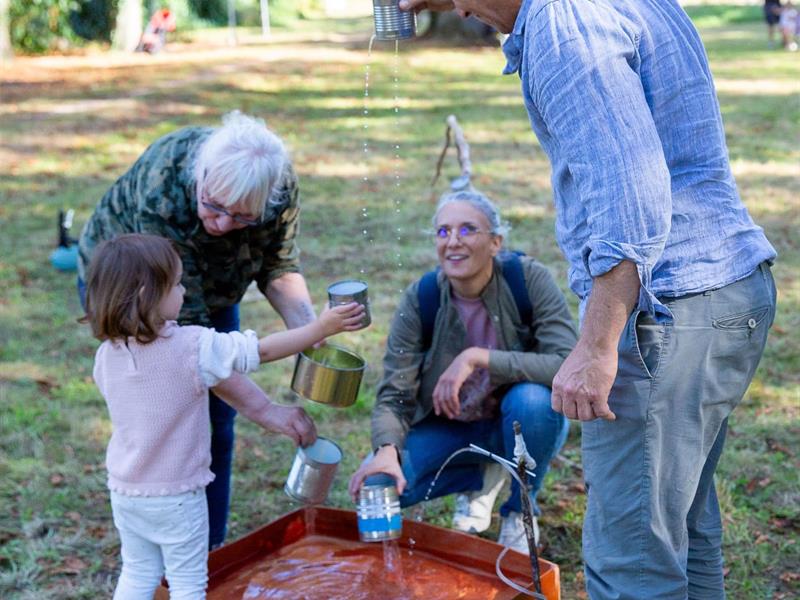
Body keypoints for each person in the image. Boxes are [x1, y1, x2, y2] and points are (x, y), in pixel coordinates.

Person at [398, 1, 777, 598]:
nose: (463, 11)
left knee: (632, 564)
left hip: (664, 312)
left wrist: (598, 344)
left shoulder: (561, 25)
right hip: (727, 289)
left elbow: (632, 196)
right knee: (682, 531)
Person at [78, 111, 319, 549]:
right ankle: (155, 539)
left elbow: (278, 264)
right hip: (136, 294)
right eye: (213, 206)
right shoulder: (165, 185)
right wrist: (267, 411)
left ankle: (205, 553)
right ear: (200, 176)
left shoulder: (276, 188)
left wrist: (311, 334)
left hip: (214, 290)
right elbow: (188, 346)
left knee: (216, 426)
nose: (224, 224)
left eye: (242, 218)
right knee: (161, 422)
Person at [83, 233, 365, 599]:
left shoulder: (106, 354)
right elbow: (259, 351)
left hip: (127, 491)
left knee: (138, 572)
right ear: (146, 295)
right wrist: (319, 329)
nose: (184, 292)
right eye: (176, 284)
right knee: (188, 583)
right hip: (178, 496)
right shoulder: (192, 346)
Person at [348, 190, 577, 553]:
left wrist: (479, 357)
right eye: (443, 232)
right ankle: (481, 476)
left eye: (468, 230)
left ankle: (519, 512)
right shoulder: (420, 297)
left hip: (516, 423)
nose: (453, 242)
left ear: (496, 242)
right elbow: (395, 392)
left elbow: (567, 363)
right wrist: (386, 449)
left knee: (533, 401)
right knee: (378, 485)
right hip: (450, 429)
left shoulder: (527, 278)